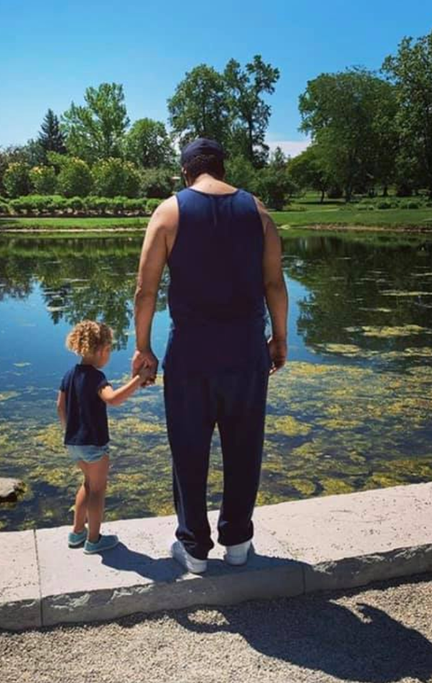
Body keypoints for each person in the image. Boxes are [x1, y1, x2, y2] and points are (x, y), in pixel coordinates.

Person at [132, 138, 288, 574]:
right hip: (245, 352)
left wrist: (144, 348)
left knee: (188, 448)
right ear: (221, 168)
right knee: (244, 447)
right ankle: (238, 542)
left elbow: (145, 291)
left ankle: (194, 547)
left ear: (186, 172)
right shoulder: (257, 211)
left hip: (191, 356)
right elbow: (274, 284)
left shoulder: (169, 212)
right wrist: (279, 337)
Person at [58, 320, 153, 554]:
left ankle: (76, 532)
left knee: (88, 485)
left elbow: (60, 406)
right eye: (109, 350)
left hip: (74, 443)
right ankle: (93, 540)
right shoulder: (96, 378)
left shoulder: (70, 375)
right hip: (94, 444)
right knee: (98, 490)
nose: (109, 355)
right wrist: (138, 379)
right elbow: (113, 399)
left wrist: (70, 431)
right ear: (100, 350)